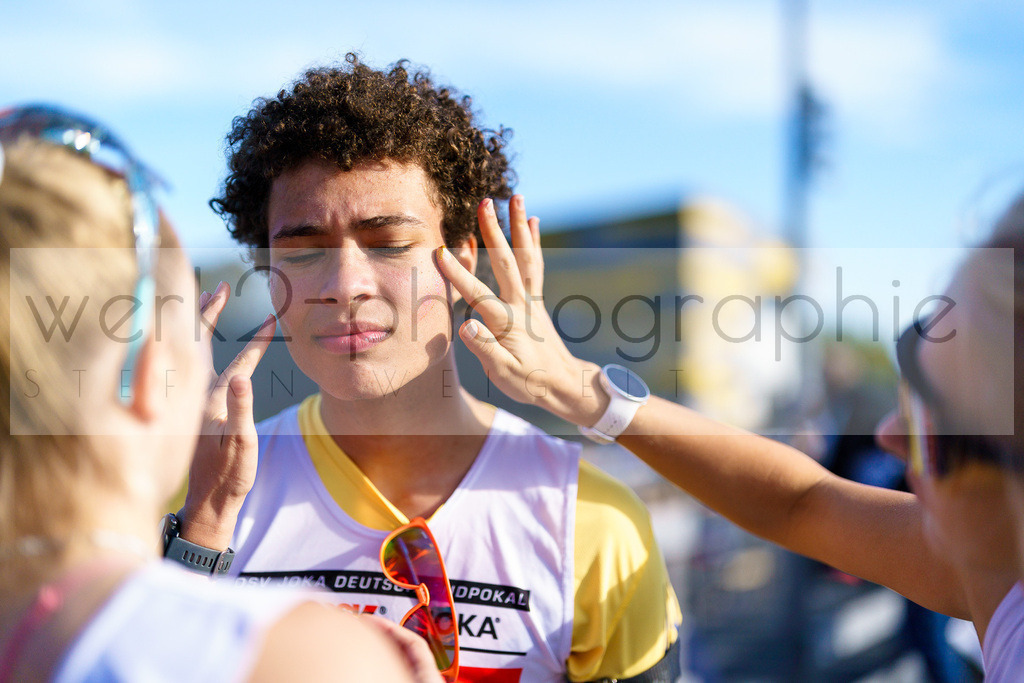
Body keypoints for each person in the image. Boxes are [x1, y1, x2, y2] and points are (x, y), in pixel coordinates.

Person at [179, 55, 683, 682]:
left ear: (462, 258)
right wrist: (195, 538)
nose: (345, 284)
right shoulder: (198, 500)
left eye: (388, 243)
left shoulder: (591, 522)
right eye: (304, 251)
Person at [435, 183, 1024, 678]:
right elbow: (798, 502)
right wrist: (581, 390)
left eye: (931, 417)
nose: (892, 435)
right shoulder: (999, 564)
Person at [0, 106, 439, 682]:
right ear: (152, 373)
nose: (344, 285)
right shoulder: (302, 656)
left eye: (387, 242)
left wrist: (203, 527)